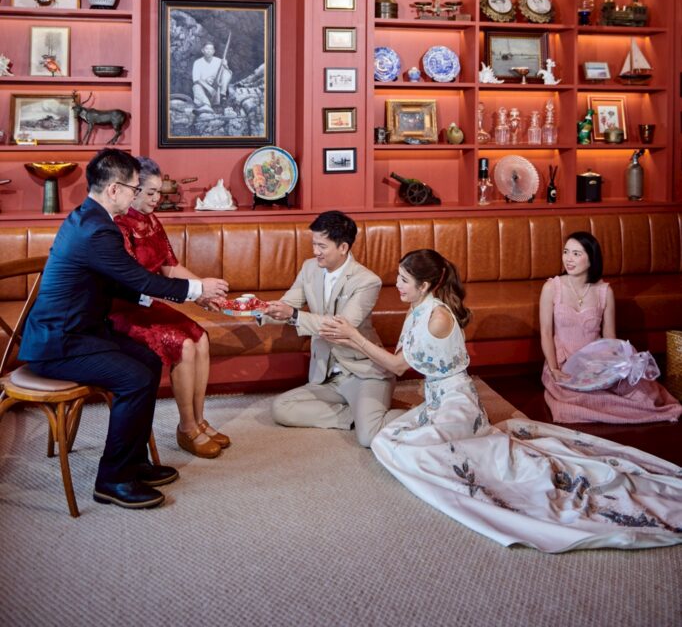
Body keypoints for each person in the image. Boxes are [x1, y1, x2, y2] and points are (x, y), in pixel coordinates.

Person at [325, 249, 682, 552]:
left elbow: (397, 366)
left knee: (411, 453)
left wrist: (353, 335)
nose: (397, 285)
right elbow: (399, 359)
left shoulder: (436, 317)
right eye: (399, 277)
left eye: (404, 280)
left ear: (426, 285)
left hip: (456, 403)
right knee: (388, 440)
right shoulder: (418, 307)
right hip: (437, 399)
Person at [18, 149, 229, 510]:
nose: (136, 196)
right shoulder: (97, 229)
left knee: (148, 360)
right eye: (134, 188)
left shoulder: (90, 218)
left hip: (83, 332)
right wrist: (198, 290)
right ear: (114, 189)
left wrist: (180, 296)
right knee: (135, 378)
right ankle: (112, 480)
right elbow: (139, 278)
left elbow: (118, 282)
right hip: (59, 343)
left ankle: (135, 462)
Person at [111, 157, 231, 459]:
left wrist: (202, 291)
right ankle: (187, 427)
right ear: (133, 190)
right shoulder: (119, 225)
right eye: (150, 192)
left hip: (149, 302)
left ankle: (199, 421)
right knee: (184, 345)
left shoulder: (152, 221)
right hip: (124, 308)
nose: (156, 199)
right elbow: (135, 281)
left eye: (159, 192)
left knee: (200, 337)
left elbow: (170, 267)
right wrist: (197, 292)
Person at [260, 210, 395, 447]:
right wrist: (255, 308)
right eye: (314, 244)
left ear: (343, 247)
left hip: (362, 373)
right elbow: (288, 304)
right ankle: (358, 417)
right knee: (281, 408)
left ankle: (409, 416)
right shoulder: (309, 268)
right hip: (327, 378)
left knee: (367, 439)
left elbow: (341, 328)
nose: (315, 251)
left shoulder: (367, 281)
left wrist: (293, 315)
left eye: (322, 246)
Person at [540, 232, 681, 424]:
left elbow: (609, 337)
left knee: (639, 395)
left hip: (596, 359)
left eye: (576, 254)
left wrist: (612, 368)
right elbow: (546, 332)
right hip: (563, 361)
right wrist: (554, 368)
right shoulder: (551, 288)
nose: (568, 259)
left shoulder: (604, 291)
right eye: (566, 252)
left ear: (591, 259)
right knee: (569, 404)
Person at [192, 41, 231, 110]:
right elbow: (196, 79)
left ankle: (222, 95)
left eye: (211, 49)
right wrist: (209, 88)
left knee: (226, 72)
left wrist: (226, 66)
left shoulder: (220, 61)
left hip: (217, 89)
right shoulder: (197, 63)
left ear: (213, 51)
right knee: (196, 87)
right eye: (207, 49)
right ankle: (206, 106)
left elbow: (229, 74)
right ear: (202, 50)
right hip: (204, 89)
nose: (209, 51)